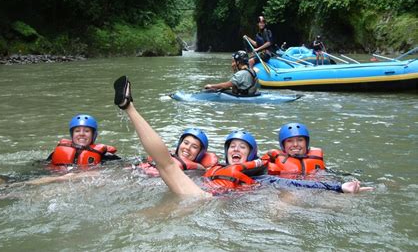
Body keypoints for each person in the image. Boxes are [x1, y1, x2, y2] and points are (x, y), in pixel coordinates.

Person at [113, 76, 373, 197]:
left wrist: (337, 187)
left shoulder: (259, 175)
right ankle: (129, 107)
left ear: (253, 155)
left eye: (242, 148)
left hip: (208, 203)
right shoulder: (210, 167)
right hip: (199, 195)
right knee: (166, 164)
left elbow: (294, 185)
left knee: (166, 165)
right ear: (224, 152)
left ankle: (130, 108)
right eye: (232, 147)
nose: (236, 150)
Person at [0, 114, 120, 194]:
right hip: (49, 173)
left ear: (93, 135)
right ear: (72, 135)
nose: (82, 134)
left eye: (86, 131)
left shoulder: (105, 156)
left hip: (62, 179)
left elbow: (123, 167)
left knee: (53, 181)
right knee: (2, 177)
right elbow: (45, 164)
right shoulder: (57, 152)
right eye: (78, 131)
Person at [137, 128, 219, 176]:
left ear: (200, 153)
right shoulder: (168, 154)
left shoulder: (197, 172)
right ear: (180, 144)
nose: (187, 148)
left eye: (194, 147)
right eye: (186, 143)